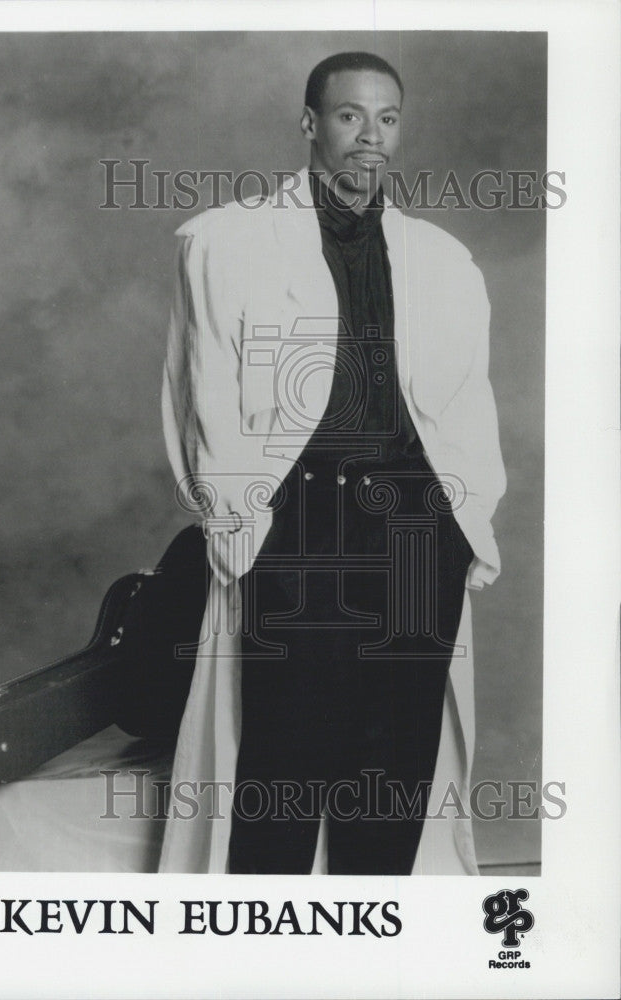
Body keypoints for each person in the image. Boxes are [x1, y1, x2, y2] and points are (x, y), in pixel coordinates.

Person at [159, 51, 506, 875]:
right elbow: (199, 388)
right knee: (285, 758)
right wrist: (239, 516)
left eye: (387, 118)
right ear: (311, 123)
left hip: (419, 528)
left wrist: (465, 526)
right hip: (301, 525)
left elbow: (464, 406)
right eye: (351, 116)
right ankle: (266, 959)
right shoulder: (226, 241)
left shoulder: (442, 259)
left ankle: (373, 956)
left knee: (394, 767)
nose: (370, 137)